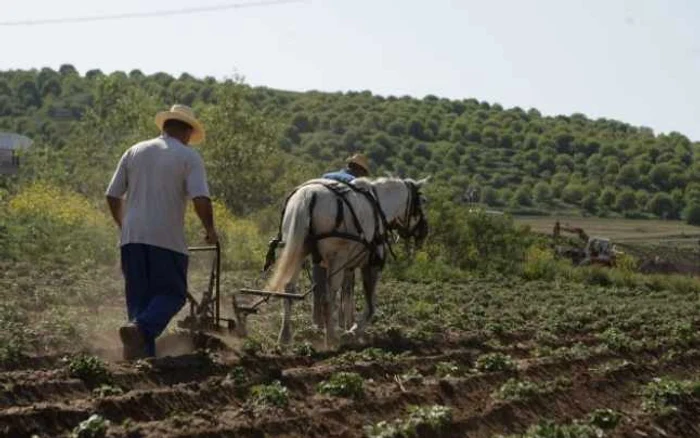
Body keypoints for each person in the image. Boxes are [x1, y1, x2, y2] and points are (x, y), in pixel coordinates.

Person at [105, 104, 218, 360]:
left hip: (131, 239)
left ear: (165, 126)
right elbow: (200, 198)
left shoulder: (135, 150)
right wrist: (210, 229)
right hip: (166, 240)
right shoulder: (188, 157)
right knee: (173, 294)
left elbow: (112, 195)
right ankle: (140, 330)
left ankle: (139, 359)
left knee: (140, 302)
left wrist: (124, 226)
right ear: (188, 132)